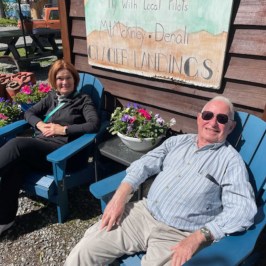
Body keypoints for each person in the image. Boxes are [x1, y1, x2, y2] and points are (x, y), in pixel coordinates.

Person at [64, 96, 257, 266]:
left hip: (180, 235)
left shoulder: (231, 162)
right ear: (199, 118)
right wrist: (119, 198)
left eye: (222, 119)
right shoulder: (177, 142)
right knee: (83, 252)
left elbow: (242, 209)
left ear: (231, 127)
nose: (213, 123)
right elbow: (145, 164)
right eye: (208, 115)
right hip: (143, 214)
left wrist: (199, 237)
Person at [0, 59, 99, 236]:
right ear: (54, 80)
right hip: (42, 149)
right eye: (60, 78)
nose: (64, 82)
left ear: (74, 79)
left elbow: (93, 125)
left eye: (68, 78)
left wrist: (63, 129)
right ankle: (5, 220)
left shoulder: (83, 100)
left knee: (17, 144)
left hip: (65, 155)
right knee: (15, 166)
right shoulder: (52, 97)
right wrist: (38, 124)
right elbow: (28, 113)